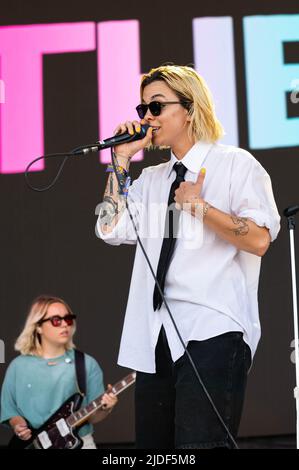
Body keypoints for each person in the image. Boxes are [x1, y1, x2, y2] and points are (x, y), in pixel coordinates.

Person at [96, 65, 280, 449]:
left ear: (190, 108)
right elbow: (109, 228)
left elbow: (260, 239)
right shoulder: (151, 179)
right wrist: (120, 161)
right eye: (142, 107)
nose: (146, 117)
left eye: (157, 106)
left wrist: (201, 208)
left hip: (213, 329)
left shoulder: (235, 164)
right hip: (155, 336)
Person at [0, 295, 117, 449]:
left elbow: (93, 417)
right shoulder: (18, 366)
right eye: (56, 320)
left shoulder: (86, 363)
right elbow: (8, 409)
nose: (64, 325)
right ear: (38, 326)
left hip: (78, 443)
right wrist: (18, 425)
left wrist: (105, 407)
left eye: (68, 319)